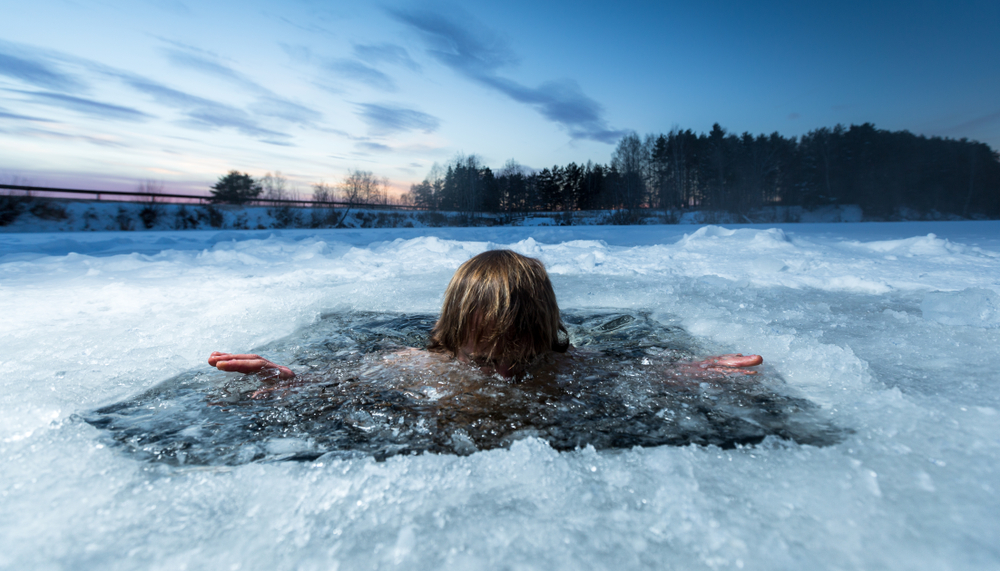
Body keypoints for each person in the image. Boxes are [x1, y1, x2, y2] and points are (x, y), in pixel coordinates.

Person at [208, 249, 762, 381]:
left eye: (518, 353)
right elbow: (347, 380)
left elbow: (629, 373)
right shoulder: (424, 364)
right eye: (484, 354)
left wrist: (692, 372)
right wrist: (293, 380)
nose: (503, 370)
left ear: (545, 336)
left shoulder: (569, 363)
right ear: (451, 336)